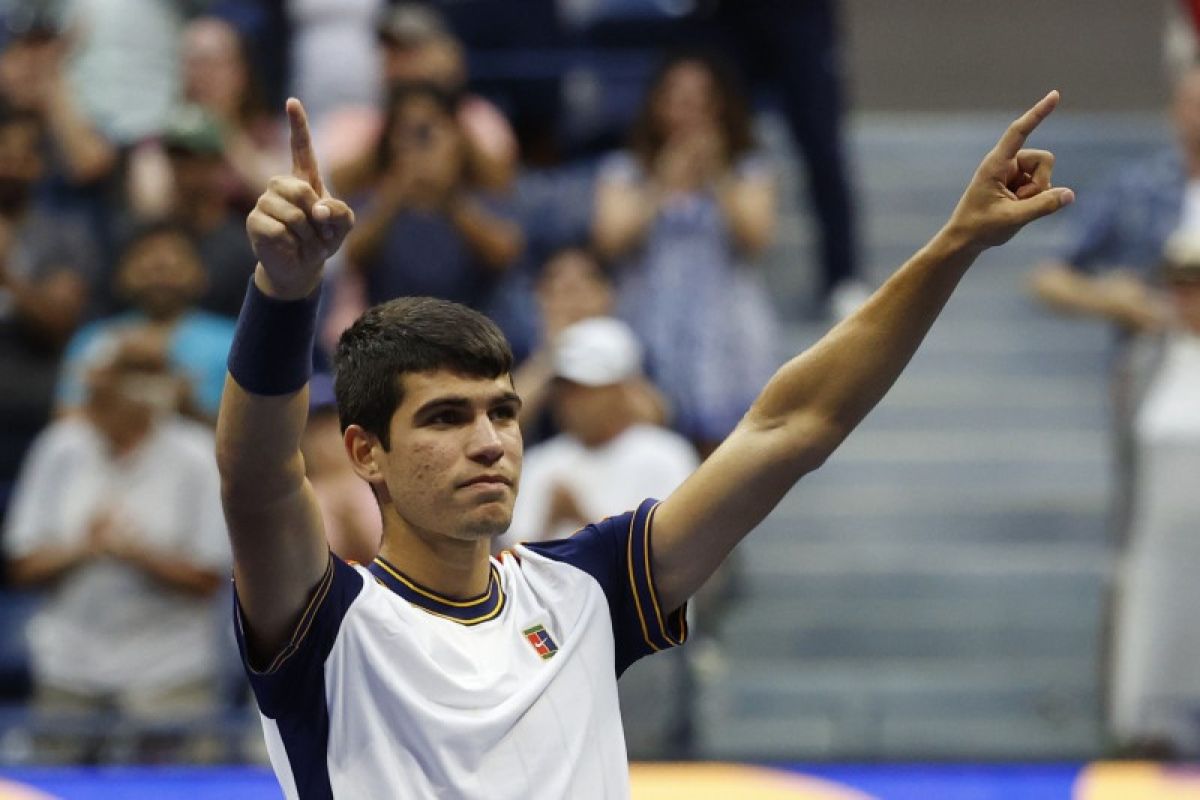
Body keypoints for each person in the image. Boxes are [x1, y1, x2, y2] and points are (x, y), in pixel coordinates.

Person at [217, 92, 1072, 796]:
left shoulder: (584, 590)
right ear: (365, 453)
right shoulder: (328, 622)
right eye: (445, 418)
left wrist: (954, 246)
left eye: (503, 413)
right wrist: (283, 292)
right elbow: (256, 479)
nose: (489, 443)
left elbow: (790, 428)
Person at [4, 329, 230, 762]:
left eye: (147, 373)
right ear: (96, 380)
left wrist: (136, 554)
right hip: (69, 663)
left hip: (169, 669)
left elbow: (208, 577)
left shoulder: (196, 454)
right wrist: (86, 548)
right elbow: (21, 565)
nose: (130, 388)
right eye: (122, 373)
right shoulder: (59, 448)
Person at [592, 52, 781, 454]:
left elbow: (755, 236)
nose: (689, 110)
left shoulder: (746, 170)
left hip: (726, 334)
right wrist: (663, 179)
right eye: (677, 98)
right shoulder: (626, 171)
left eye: (701, 99)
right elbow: (611, 239)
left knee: (724, 460)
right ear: (657, 104)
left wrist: (717, 174)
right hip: (648, 322)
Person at [1109, 229, 1200, 756]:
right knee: (1153, 693)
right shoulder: (1144, 362)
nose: (1190, 298)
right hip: (1159, 549)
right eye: (1181, 285)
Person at [56, 222, 236, 422]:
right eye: (146, 258)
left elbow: (248, 438)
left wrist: (186, 405)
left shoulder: (233, 343)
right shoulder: (94, 339)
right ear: (122, 273)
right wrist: (107, 388)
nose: (159, 271)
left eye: (173, 260)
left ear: (200, 273)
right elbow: (65, 423)